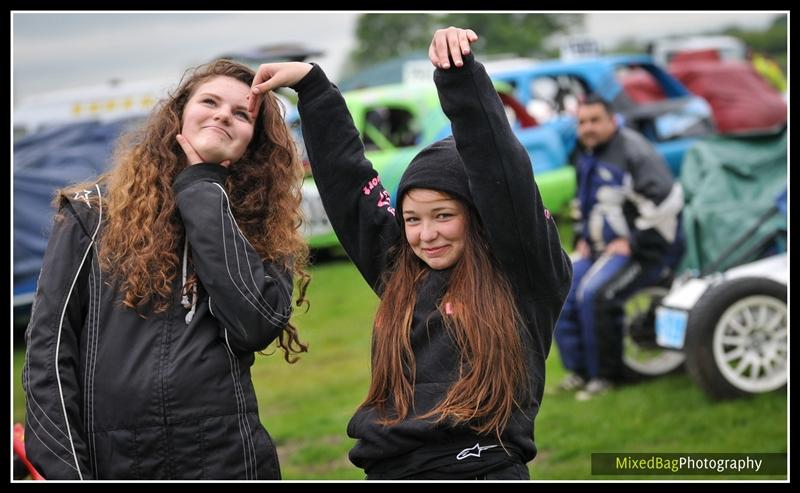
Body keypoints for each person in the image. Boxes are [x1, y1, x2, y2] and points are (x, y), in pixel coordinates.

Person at [247, 27, 572, 480]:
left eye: (443, 215)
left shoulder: (525, 275)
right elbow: (350, 188)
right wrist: (314, 89)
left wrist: (460, 79)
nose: (425, 235)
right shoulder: (403, 272)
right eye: (412, 219)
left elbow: (502, 171)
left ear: (477, 216)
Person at [23, 59, 310, 479]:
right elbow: (48, 351)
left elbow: (255, 323)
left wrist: (202, 188)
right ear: (179, 113)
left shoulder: (262, 225)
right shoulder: (93, 213)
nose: (222, 116)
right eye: (209, 101)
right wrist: (67, 470)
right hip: (113, 458)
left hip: (223, 456)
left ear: (254, 140)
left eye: (241, 114)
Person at [554, 94, 684, 400]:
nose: (588, 128)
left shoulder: (634, 151)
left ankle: (605, 377)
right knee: (559, 288)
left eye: (595, 120)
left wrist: (635, 241)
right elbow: (587, 204)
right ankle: (579, 371)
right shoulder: (587, 153)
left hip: (646, 249)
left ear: (613, 120)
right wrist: (583, 236)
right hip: (602, 249)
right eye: (582, 122)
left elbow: (667, 201)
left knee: (595, 294)